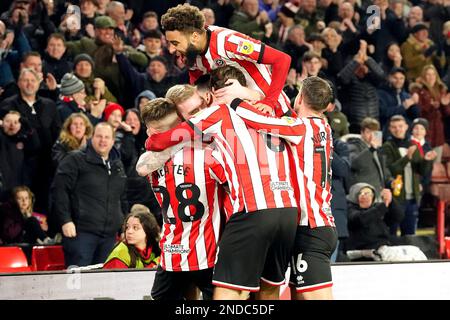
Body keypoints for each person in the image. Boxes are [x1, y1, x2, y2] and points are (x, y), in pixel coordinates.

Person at [145, 81, 298, 300]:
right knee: (255, 290)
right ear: (180, 120)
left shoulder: (152, 162)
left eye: (200, 106)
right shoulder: (210, 153)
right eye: (193, 113)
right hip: (215, 244)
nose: (200, 114)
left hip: (176, 249)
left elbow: (150, 153)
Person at [227, 76, 337, 300]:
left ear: (301, 97)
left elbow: (259, 121)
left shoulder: (299, 127)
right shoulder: (323, 126)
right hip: (319, 223)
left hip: (311, 228)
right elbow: (286, 113)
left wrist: (234, 100)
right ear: (326, 106)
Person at [140, 97, 227, 300]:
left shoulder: (149, 162)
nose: (148, 135)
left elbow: (141, 166)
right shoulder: (207, 155)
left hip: (172, 251)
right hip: (208, 252)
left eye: (151, 130)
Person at [160, 3, 294, 117]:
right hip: (238, 112)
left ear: (194, 37)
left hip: (272, 109)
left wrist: (269, 101)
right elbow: (198, 83)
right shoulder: (188, 54)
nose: (171, 49)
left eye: (175, 43)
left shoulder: (228, 42)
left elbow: (282, 59)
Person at [52, 122, 128, 267]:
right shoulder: (74, 159)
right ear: (91, 138)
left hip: (109, 236)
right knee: (78, 283)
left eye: (107, 137)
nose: (103, 140)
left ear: (113, 141)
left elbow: (122, 198)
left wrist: (124, 227)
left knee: (102, 284)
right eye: (99, 136)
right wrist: (65, 220)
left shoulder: (118, 165)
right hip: (81, 234)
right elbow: (59, 190)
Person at [382, 115, 435, 236]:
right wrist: (407, 158)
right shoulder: (387, 147)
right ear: (390, 129)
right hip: (396, 199)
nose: (398, 129)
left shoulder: (412, 144)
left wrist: (426, 160)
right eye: (394, 127)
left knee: (410, 234)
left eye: (400, 126)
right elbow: (390, 170)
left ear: (406, 127)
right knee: (392, 233)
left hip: (412, 198)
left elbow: (422, 171)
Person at [345, 117, 392, 199]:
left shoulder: (378, 149)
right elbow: (355, 163)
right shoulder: (353, 145)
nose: (372, 136)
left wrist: (391, 181)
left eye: (375, 133)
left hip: (378, 194)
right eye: (368, 132)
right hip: (362, 195)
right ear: (362, 132)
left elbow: (383, 170)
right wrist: (371, 150)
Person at [103, 204, 160, 269]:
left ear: (148, 231)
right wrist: (154, 265)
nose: (129, 231)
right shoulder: (120, 253)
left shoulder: (157, 250)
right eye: (127, 227)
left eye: (135, 228)